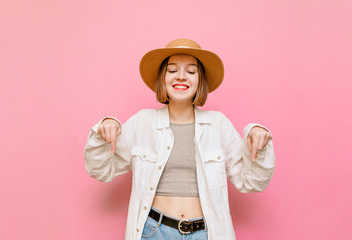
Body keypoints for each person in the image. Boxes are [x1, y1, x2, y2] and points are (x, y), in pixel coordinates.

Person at [84, 38, 275, 240]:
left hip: (206, 233)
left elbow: (251, 182)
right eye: (172, 70)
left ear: (200, 80)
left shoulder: (218, 125)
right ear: (162, 79)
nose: (181, 77)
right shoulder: (143, 122)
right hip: (154, 232)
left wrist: (257, 135)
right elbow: (101, 170)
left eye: (191, 72)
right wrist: (104, 129)